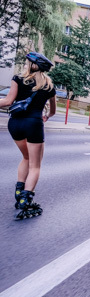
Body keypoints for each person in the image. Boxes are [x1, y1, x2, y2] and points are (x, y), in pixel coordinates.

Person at [0, 52, 56, 220]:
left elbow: (8, 101)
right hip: (34, 124)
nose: (25, 64)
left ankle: (19, 189)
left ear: (33, 65)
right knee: (35, 166)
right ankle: (26, 198)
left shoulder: (17, 79)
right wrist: (46, 117)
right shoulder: (48, 86)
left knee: (26, 157)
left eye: (27, 63)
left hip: (15, 124)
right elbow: (52, 111)